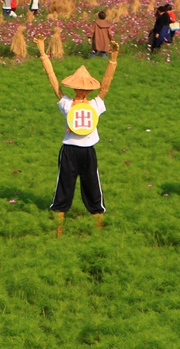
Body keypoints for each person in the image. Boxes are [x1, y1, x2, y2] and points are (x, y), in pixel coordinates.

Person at [35, 38, 119, 236]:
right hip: (70, 150)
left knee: (92, 186)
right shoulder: (69, 103)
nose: (82, 91)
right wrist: (42, 54)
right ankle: (58, 227)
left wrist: (113, 58)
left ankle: (96, 225)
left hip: (87, 151)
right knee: (65, 186)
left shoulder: (93, 104)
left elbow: (106, 86)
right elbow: (54, 84)